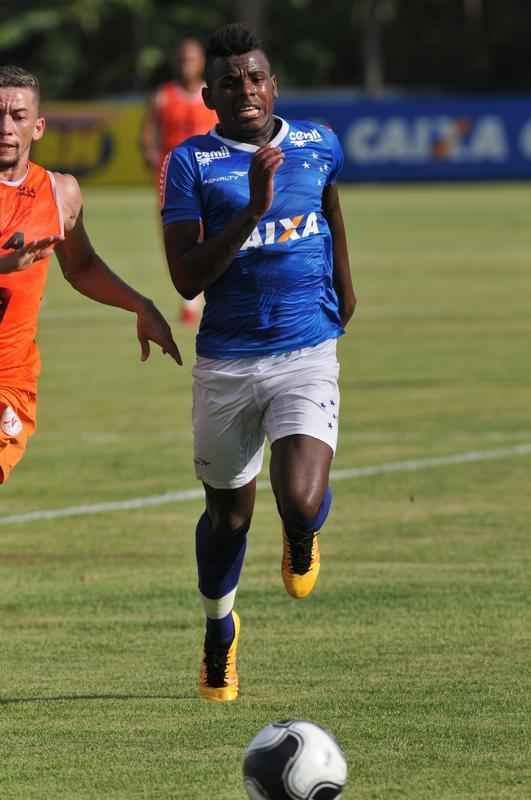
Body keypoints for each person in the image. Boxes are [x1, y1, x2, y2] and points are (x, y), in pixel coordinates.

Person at [161, 23, 356, 702]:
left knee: (298, 499)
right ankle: (219, 630)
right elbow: (186, 278)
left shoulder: (318, 143)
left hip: (306, 349)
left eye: (255, 78)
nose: (245, 90)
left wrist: (346, 292)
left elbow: (331, 213)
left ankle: (302, 532)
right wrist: (251, 210)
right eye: (230, 82)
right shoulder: (190, 162)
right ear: (209, 96)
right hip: (227, 363)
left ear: (272, 84)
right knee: (229, 520)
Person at [0, 65, 182, 485]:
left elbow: (81, 267)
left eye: (18, 116)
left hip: (10, 380)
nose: (6, 127)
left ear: (38, 127)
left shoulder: (59, 193)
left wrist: (140, 305)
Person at [140, 38, 218, 326]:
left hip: (210, 175)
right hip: (174, 179)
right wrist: (150, 152)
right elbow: (148, 132)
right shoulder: (163, 96)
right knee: (179, 235)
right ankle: (190, 298)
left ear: (202, 62)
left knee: (212, 231)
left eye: (192, 58)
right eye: (183, 59)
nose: (187, 64)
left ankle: (210, 293)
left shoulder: (213, 94)